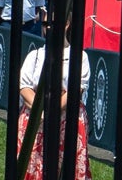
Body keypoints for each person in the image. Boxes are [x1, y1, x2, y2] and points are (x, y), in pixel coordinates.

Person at [16, 35, 93, 180]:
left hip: (67, 118)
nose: (47, 27)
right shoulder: (35, 55)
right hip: (35, 116)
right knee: (32, 163)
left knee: (66, 167)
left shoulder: (80, 57)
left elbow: (76, 89)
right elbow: (24, 86)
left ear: (67, 24)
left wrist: (53, 110)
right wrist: (41, 111)